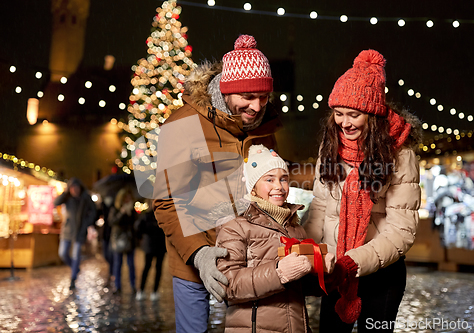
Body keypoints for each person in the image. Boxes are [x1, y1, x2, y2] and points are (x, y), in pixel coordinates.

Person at [153, 34, 282, 333]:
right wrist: (199, 253)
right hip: (192, 259)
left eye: (263, 97)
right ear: (225, 91)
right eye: (247, 97)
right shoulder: (181, 125)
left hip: (248, 260)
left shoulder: (264, 126)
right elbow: (165, 201)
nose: (256, 106)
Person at [303, 49, 422, 332]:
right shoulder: (330, 148)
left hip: (382, 272)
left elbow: (401, 231)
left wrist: (354, 261)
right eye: (338, 114)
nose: (344, 123)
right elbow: (320, 208)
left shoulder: (400, 156)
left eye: (353, 115)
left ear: (372, 116)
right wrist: (308, 251)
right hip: (335, 270)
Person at [216, 145, 332, 332]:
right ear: (253, 188)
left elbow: (302, 288)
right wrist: (279, 272)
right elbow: (228, 285)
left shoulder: (295, 228)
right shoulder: (235, 227)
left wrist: (322, 270)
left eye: (283, 179)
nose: (279, 186)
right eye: (269, 179)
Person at [54, 177, 97, 289]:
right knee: (63, 253)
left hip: (80, 230)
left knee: (76, 254)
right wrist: (65, 193)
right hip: (67, 230)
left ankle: (73, 279)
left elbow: (94, 211)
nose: (74, 190)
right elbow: (56, 202)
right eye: (72, 188)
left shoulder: (85, 197)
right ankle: (75, 268)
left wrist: (87, 223)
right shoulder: (67, 198)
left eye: (76, 187)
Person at [135, 199, 166, 301]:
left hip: (159, 245)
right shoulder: (147, 216)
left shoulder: (162, 214)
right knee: (147, 267)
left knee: (158, 269)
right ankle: (142, 290)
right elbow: (139, 228)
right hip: (151, 246)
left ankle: (154, 291)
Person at [108, 187, 138, 294]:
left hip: (130, 240)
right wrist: (121, 213)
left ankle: (133, 285)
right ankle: (117, 286)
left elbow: (136, 224)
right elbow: (112, 222)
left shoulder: (132, 210)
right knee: (118, 263)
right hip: (119, 240)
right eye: (126, 198)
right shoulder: (116, 209)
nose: (128, 200)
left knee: (131, 264)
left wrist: (130, 214)